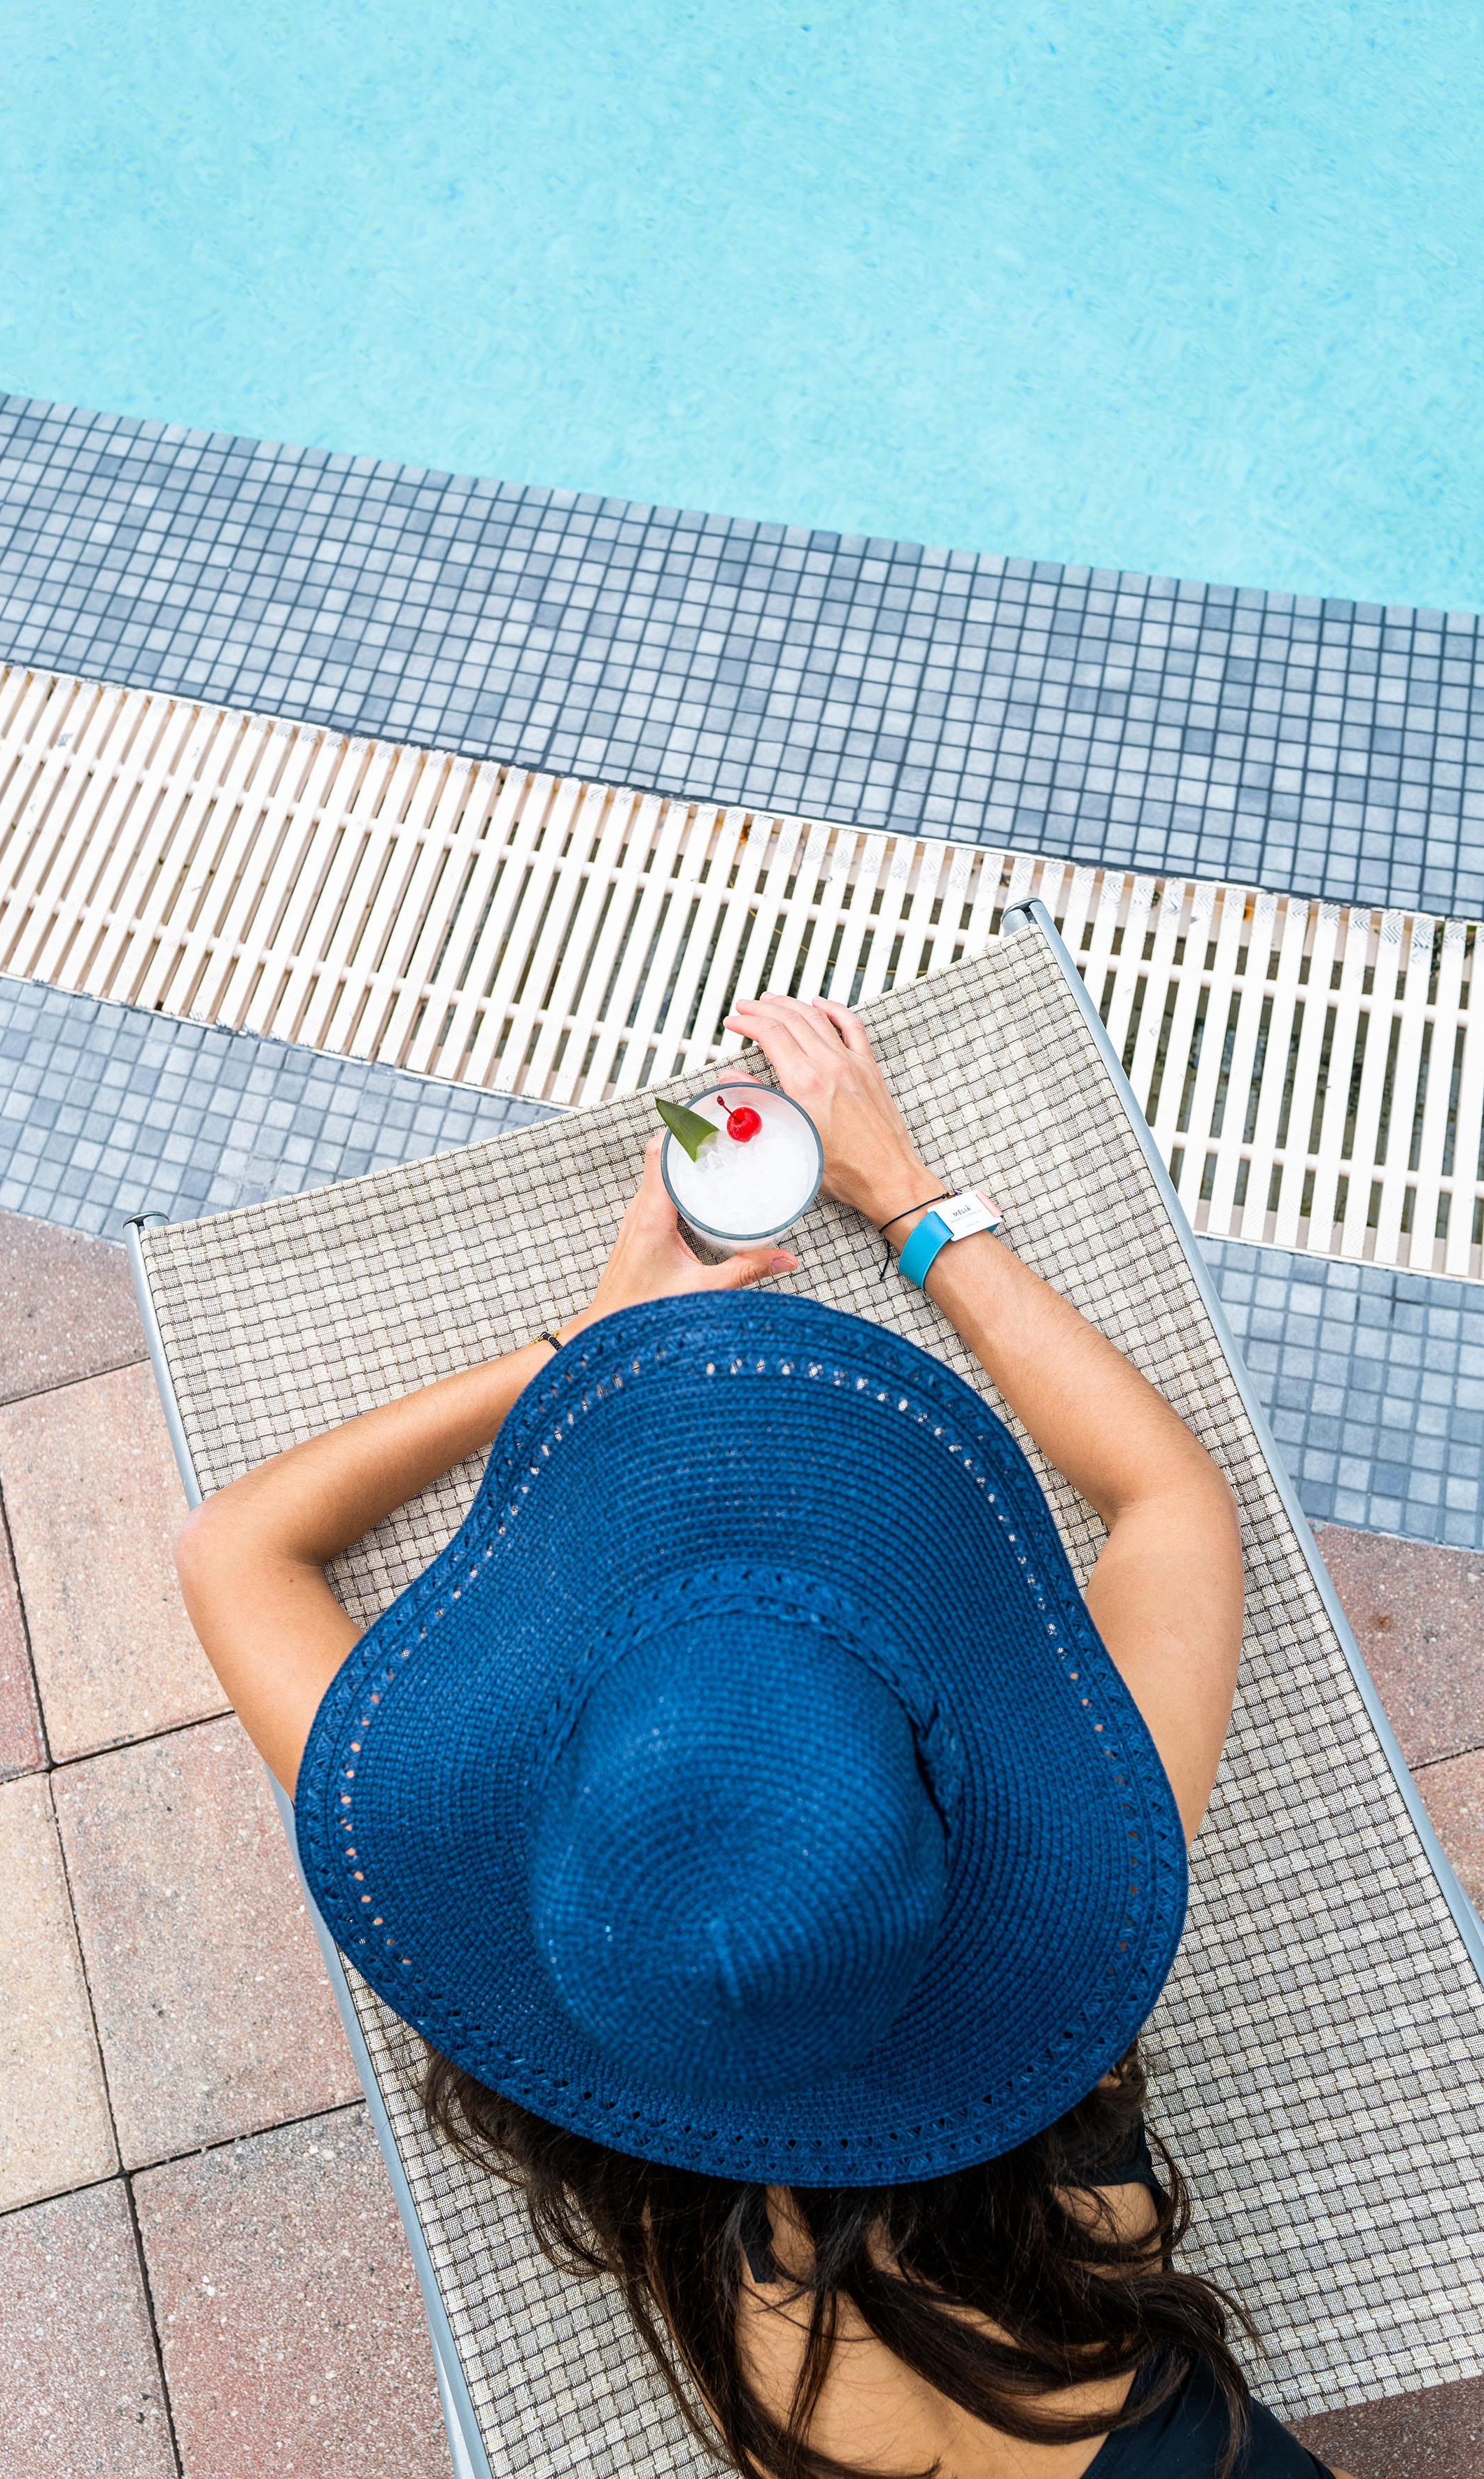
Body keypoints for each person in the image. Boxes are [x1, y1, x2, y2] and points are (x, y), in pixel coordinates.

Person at [176, 991, 1353, 2479]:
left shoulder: (530, 1957)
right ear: (962, 1800)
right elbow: (1169, 1497)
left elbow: (236, 1547)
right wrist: (916, 1206)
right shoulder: (1083, 1890)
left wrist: (585, 1343)